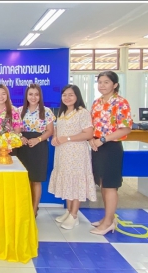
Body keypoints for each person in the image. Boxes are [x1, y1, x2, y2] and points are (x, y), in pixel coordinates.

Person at [88, 71, 132, 235]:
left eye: (106, 82)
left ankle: (108, 223)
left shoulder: (121, 103)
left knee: (110, 185)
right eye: (100, 82)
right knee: (102, 183)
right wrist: (92, 139)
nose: (102, 85)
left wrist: (103, 139)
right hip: (97, 145)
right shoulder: (96, 102)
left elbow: (125, 128)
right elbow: (93, 125)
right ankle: (108, 217)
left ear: (115, 84)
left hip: (111, 147)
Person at [48, 85, 97, 229]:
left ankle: (74, 215)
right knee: (68, 181)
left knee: (75, 182)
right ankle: (69, 211)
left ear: (77, 96)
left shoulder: (82, 112)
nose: (67, 98)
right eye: (64, 95)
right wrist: (55, 137)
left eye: (71, 95)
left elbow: (88, 134)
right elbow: (58, 128)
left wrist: (67, 139)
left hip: (76, 153)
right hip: (63, 153)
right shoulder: (62, 112)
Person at [16, 83, 55, 218]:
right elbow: (15, 129)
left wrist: (38, 139)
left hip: (39, 147)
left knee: (36, 180)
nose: (33, 97)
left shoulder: (47, 111)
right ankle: (24, 209)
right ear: (26, 96)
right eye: (30, 94)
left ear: (40, 96)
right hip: (22, 147)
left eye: (36, 94)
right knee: (23, 179)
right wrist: (20, 137)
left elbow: (50, 131)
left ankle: (33, 209)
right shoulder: (19, 110)